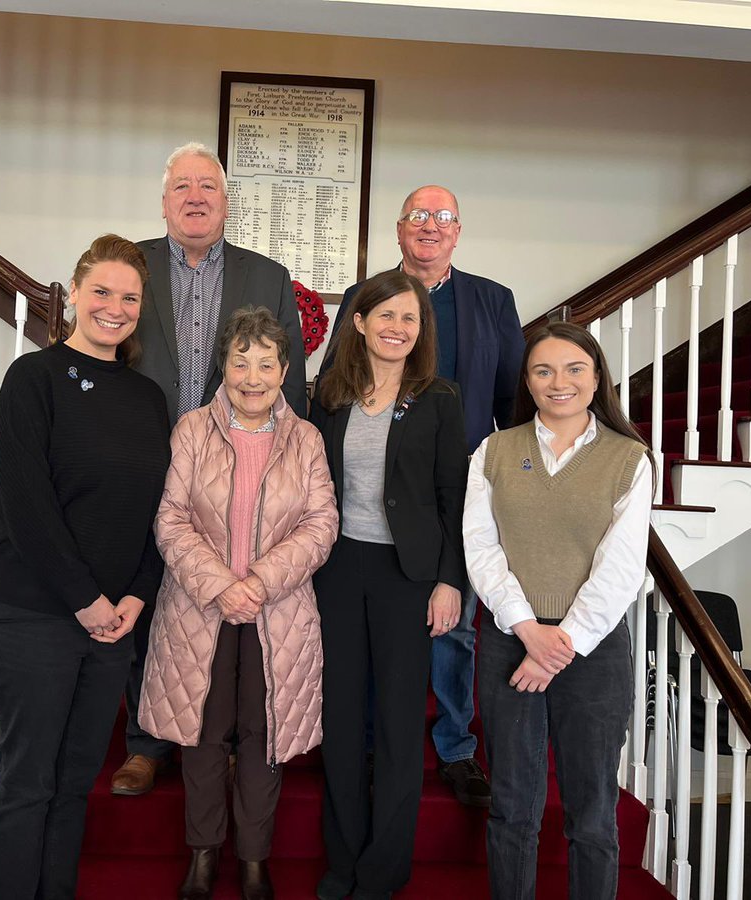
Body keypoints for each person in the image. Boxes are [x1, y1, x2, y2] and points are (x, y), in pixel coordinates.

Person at [0, 234, 171, 900]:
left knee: (75, 784)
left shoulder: (147, 400)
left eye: (129, 297)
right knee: (29, 784)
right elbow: (27, 506)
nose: (114, 308)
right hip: (33, 613)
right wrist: (87, 600)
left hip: (113, 625)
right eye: (102, 292)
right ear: (76, 295)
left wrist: (137, 599)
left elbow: (159, 513)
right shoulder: (34, 379)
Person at [113, 141, 309, 797]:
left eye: (208, 187)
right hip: (142, 469)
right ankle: (147, 743)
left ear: (226, 203)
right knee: (148, 594)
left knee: (226, 606)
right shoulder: (130, 267)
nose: (195, 198)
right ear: (164, 201)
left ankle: (219, 735)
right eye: (182, 187)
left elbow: (293, 386)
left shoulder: (267, 276)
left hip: (236, 473)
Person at [319, 185, 523, 807]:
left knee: (455, 624)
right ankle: (380, 742)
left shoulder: (492, 301)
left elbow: (514, 398)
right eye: (417, 217)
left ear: (457, 232)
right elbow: (332, 387)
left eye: (442, 218)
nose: (429, 227)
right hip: (372, 497)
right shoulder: (368, 298)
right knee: (378, 633)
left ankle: (455, 746)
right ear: (399, 230)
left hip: (457, 489)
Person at [138, 307, 338, 900]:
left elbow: (322, 523)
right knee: (202, 735)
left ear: (284, 371)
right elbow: (170, 519)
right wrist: (223, 585)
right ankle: (202, 855)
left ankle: (253, 859)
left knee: (263, 735)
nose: (252, 377)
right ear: (222, 365)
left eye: (266, 364)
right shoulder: (193, 430)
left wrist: (259, 582)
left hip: (279, 615)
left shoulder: (306, 439)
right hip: (200, 610)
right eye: (240, 361)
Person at [463, 321, 653, 900]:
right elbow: (482, 548)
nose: (558, 382)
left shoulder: (630, 459)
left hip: (591, 654)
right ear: (527, 380)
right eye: (543, 370)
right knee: (513, 808)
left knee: (592, 814)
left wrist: (556, 646)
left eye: (575, 369)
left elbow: (621, 568)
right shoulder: (494, 451)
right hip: (509, 641)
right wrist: (527, 629)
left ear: (597, 380)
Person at [311, 269, 469, 900]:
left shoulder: (439, 398)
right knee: (343, 721)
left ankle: (382, 872)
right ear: (359, 322)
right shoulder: (327, 395)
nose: (398, 329)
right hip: (339, 570)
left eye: (410, 319)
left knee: (400, 725)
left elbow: (453, 500)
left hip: (410, 577)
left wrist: (448, 581)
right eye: (386, 316)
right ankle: (343, 860)